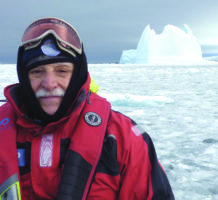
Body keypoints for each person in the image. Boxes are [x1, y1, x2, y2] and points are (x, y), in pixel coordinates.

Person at [0, 17, 174, 200]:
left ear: (78, 74)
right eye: (37, 72)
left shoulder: (124, 139)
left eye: (62, 71)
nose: (49, 83)